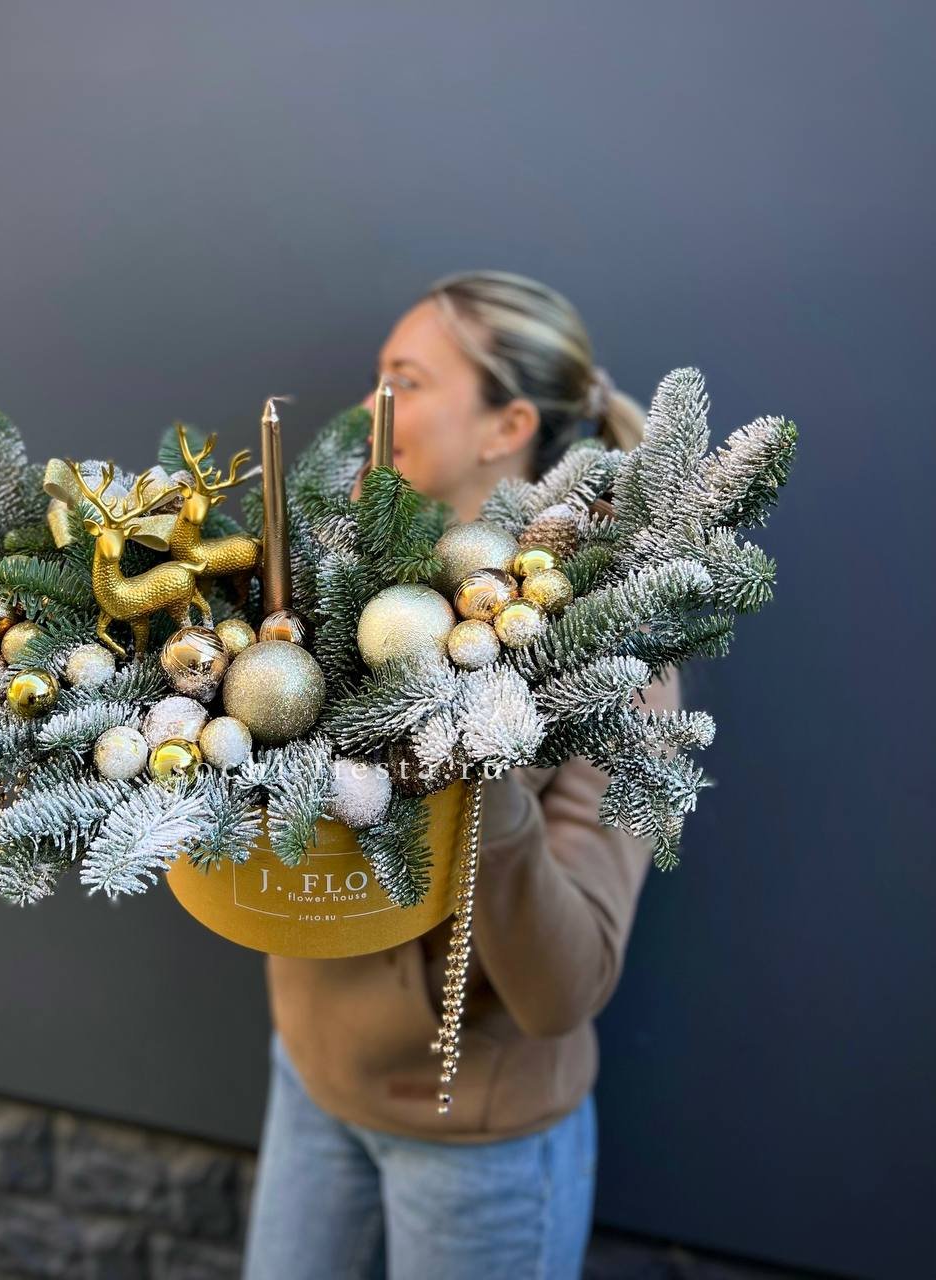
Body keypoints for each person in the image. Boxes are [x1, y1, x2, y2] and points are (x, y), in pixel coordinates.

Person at [240, 271, 681, 1280]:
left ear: (506, 426)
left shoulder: (607, 648)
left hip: (474, 1138)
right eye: (377, 376)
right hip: (309, 1075)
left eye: (405, 379)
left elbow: (565, 987)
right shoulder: (326, 590)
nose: (370, 406)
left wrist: (486, 772)